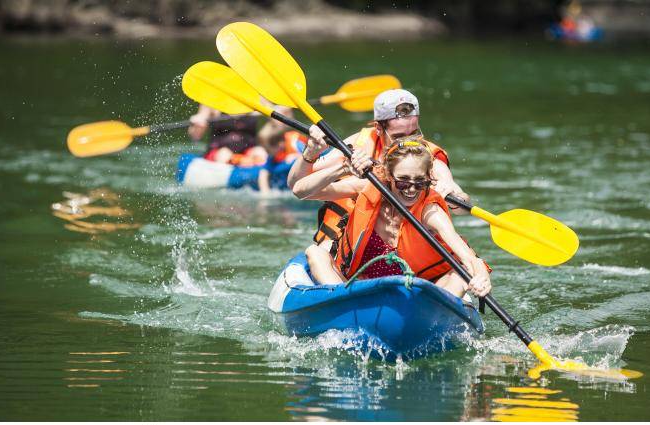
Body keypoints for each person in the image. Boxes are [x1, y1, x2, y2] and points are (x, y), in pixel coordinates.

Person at [292, 138, 491, 299]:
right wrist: (343, 168)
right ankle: (342, 305)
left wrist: (481, 277)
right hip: (358, 290)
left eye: (419, 182)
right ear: (388, 175)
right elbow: (300, 191)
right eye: (403, 181)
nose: (411, 189)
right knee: (315, 252)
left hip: (416, 296)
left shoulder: (430, 211)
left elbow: (467, 256)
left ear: (428, 178)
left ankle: (433, 318)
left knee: (461, 274)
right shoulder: (369, 187)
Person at [287, 89, 471, 251]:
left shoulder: (426, 155)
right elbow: (297, 185)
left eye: (414, 134)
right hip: (352, 237)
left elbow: (460, 204)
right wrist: (310, 154)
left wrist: (454, 197)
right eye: (398, 136)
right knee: (321, 250)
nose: (407, 143)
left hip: (405, 242)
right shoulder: (357, 145)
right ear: (378, 128)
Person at [188, 104, 268, 166]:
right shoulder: (212, 98)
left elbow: (272, 116)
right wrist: (197, 125)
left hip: (247, 151)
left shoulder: (257, 97)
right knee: (224, 154)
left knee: (260, 152)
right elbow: (195, 136)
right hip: (219, 152)